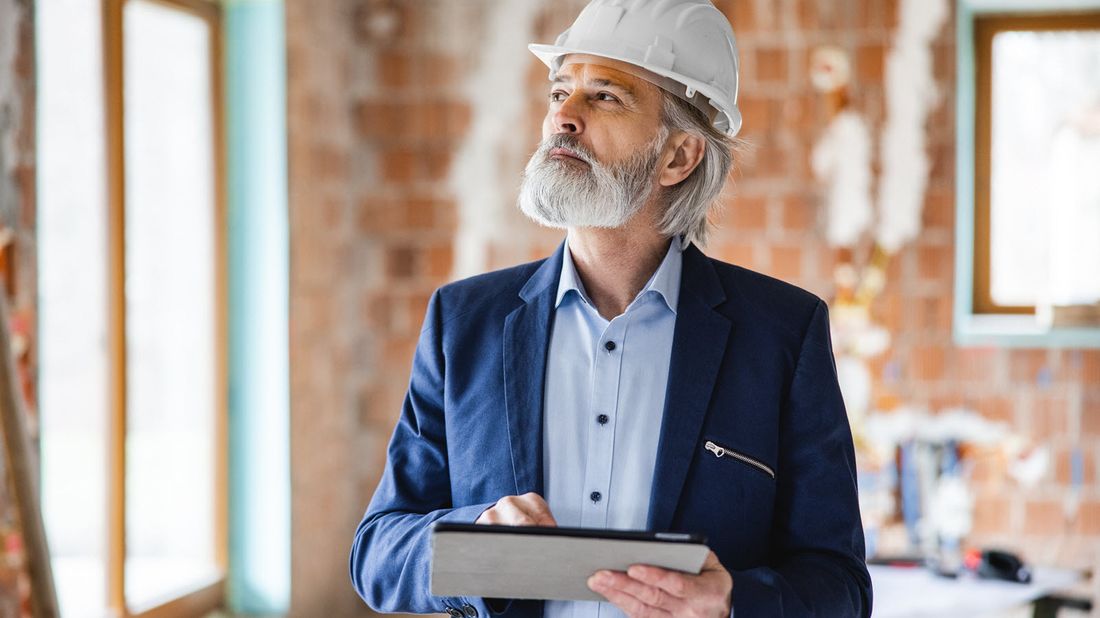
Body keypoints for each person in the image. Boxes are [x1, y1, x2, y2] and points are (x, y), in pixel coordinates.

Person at [350, 1, 871, 616]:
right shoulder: (463, 323)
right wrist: (476, 542)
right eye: (559, 92)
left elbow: (839, 584)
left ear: (678, 156)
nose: (563, 118)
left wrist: (733, 603)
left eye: (605, 98)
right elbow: (376, 551)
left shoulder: (783, 335)